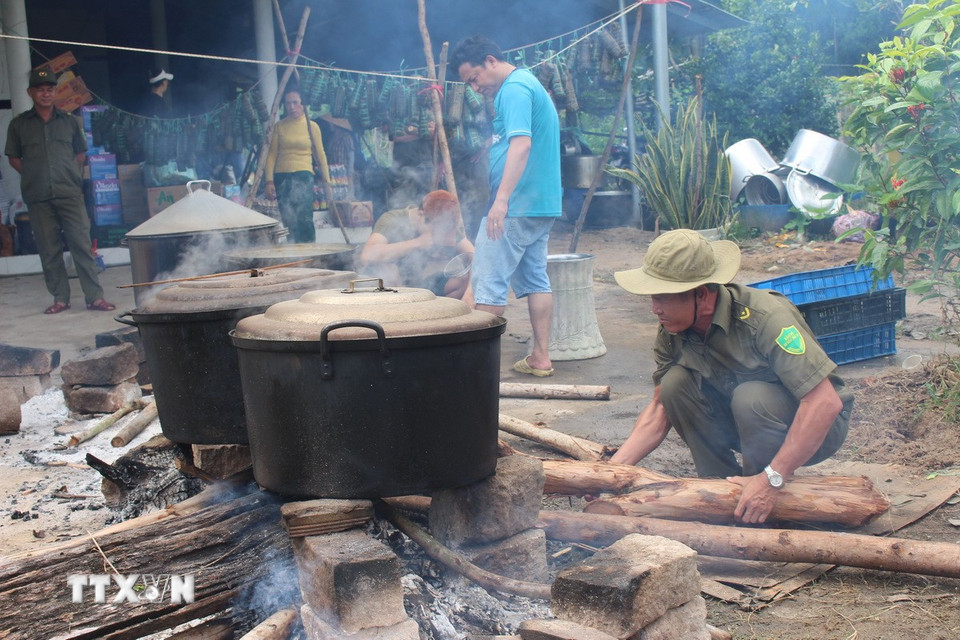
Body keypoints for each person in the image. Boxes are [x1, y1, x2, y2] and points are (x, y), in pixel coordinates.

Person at [610, 229, 853, 523]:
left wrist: (772, 478)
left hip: (816, 428)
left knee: (751, 396)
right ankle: (720, 493)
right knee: (674, 385)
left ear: (701, 294)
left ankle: (761, 499)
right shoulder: (672, 329)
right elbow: (660, 408)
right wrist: (612, 474)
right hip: (743, 425)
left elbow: (824, 404)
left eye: (663, 297)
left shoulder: (765, 318)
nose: (654, 309)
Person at [450, 35, 562, 377]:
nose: (475, 87)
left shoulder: (513, 88)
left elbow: (522, 146)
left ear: (491, 61)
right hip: (539, 205)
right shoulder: (527, 84)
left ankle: (478, 371)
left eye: (474, 78)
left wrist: (500, 201)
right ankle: (540, 357)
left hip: (514, 205)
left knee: (488, 284)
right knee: (536, 280)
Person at [5, 68, 115, 315]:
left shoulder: (69, 122)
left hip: (69, 192)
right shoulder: (19, 125)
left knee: (82, 244)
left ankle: (95, 297)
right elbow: (14, 158)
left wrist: (66, 175)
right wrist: (36, 175)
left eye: (50, 89)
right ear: (30, 92)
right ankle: (60, 298)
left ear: (55, 92)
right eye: (40, 89)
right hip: (38, 195)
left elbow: (80, 154)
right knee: (49, 248)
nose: (45, 94)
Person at [359, 190, 474, 301]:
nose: (440, 233)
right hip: (391, 288)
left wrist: (469, 294)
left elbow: (474, 256)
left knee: (462, 279)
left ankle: (435, 313)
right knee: (389, 271)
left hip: (421, 286)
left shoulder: (445, 226)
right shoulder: (392, 219)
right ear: (421, 215)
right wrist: (418, 243)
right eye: (438, 229)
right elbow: (367, 255)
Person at [264, 88, 331, 244]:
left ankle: (309, 251)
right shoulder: (279, 126)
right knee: (288, 218)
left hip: (304, 175)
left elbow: (320, 155)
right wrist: (269, 181)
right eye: (288, 103)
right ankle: (293, 251)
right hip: (282, 177)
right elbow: (271, 154)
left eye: (295, 103)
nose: (292, 107)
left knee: (305, 217)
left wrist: (327, 181)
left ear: (303, 104)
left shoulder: (312, 126)